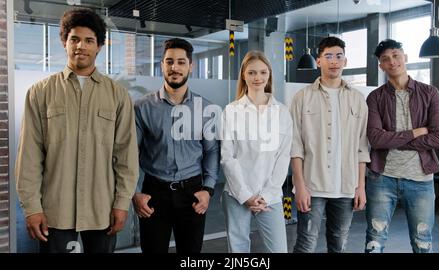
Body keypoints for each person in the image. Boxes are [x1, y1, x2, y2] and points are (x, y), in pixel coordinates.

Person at [15, 8, 139, 253]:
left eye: (89, 40)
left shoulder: (117, 95)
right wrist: (32, 207)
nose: (81, 46)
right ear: (64, 42)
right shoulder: (41, 92)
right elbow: (29, 155)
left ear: (99, 47)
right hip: (55, 211)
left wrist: (122, 203)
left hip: (101, 210)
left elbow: (125, 156)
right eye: (74, 39)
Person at [132, 38, 220, 253]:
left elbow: (212, 151)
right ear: (162, 65)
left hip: (192, 194)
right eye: (169, 61)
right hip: (153, 194)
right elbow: (129, 154)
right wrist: (134, 193)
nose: (175, 68)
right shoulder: (142, 107)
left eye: (181, 62)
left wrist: (208, 189)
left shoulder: (204, 108)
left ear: (191, 66)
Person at [365, 39, 439, 253]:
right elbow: (375, 139)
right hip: (382, 178)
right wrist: (415, 132)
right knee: (374, 242)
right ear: (380, 65)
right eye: (385, 59)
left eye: (395, 55)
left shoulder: (430, 93)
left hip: (420, 180)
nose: (392, 61)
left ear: (405, 57)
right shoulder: (375, 98)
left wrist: (392, 138)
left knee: (423, 244)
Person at [290, 36, 370, 253]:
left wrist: (360, 186)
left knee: (339, 245)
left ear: (345, 61)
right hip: (312, 186)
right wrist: (299, 186)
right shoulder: (302, 97)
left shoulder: (358, 99)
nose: (334, 61)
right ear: (318, 61)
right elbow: (295, 145)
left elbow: (362, 147)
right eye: (328, 56)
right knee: (305, 244)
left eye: (338, 56)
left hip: (346, 187)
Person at [220, 51, 292, 253]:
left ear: (269, 74)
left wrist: (266, 195)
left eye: (262, 72)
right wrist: (245, 195)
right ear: (243, 75)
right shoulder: (231, 111)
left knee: (278, 250)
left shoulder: (282, 112)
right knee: (239, 251)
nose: (257, 78)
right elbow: (228, 157)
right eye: (251, 73)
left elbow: (283, 157)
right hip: (236, 194)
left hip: (270, 195)